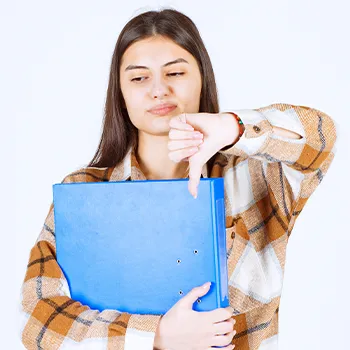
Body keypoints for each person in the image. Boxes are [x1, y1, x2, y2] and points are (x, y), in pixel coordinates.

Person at [19, 7, 337, 350]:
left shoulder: (256, 175)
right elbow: (37, 320)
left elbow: (321, 135)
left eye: (175, 73)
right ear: (121, 93)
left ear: (202, 79)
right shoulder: (82, 192)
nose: (159, 90)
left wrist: (233, 126)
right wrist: (157, 335)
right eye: (139, 78)